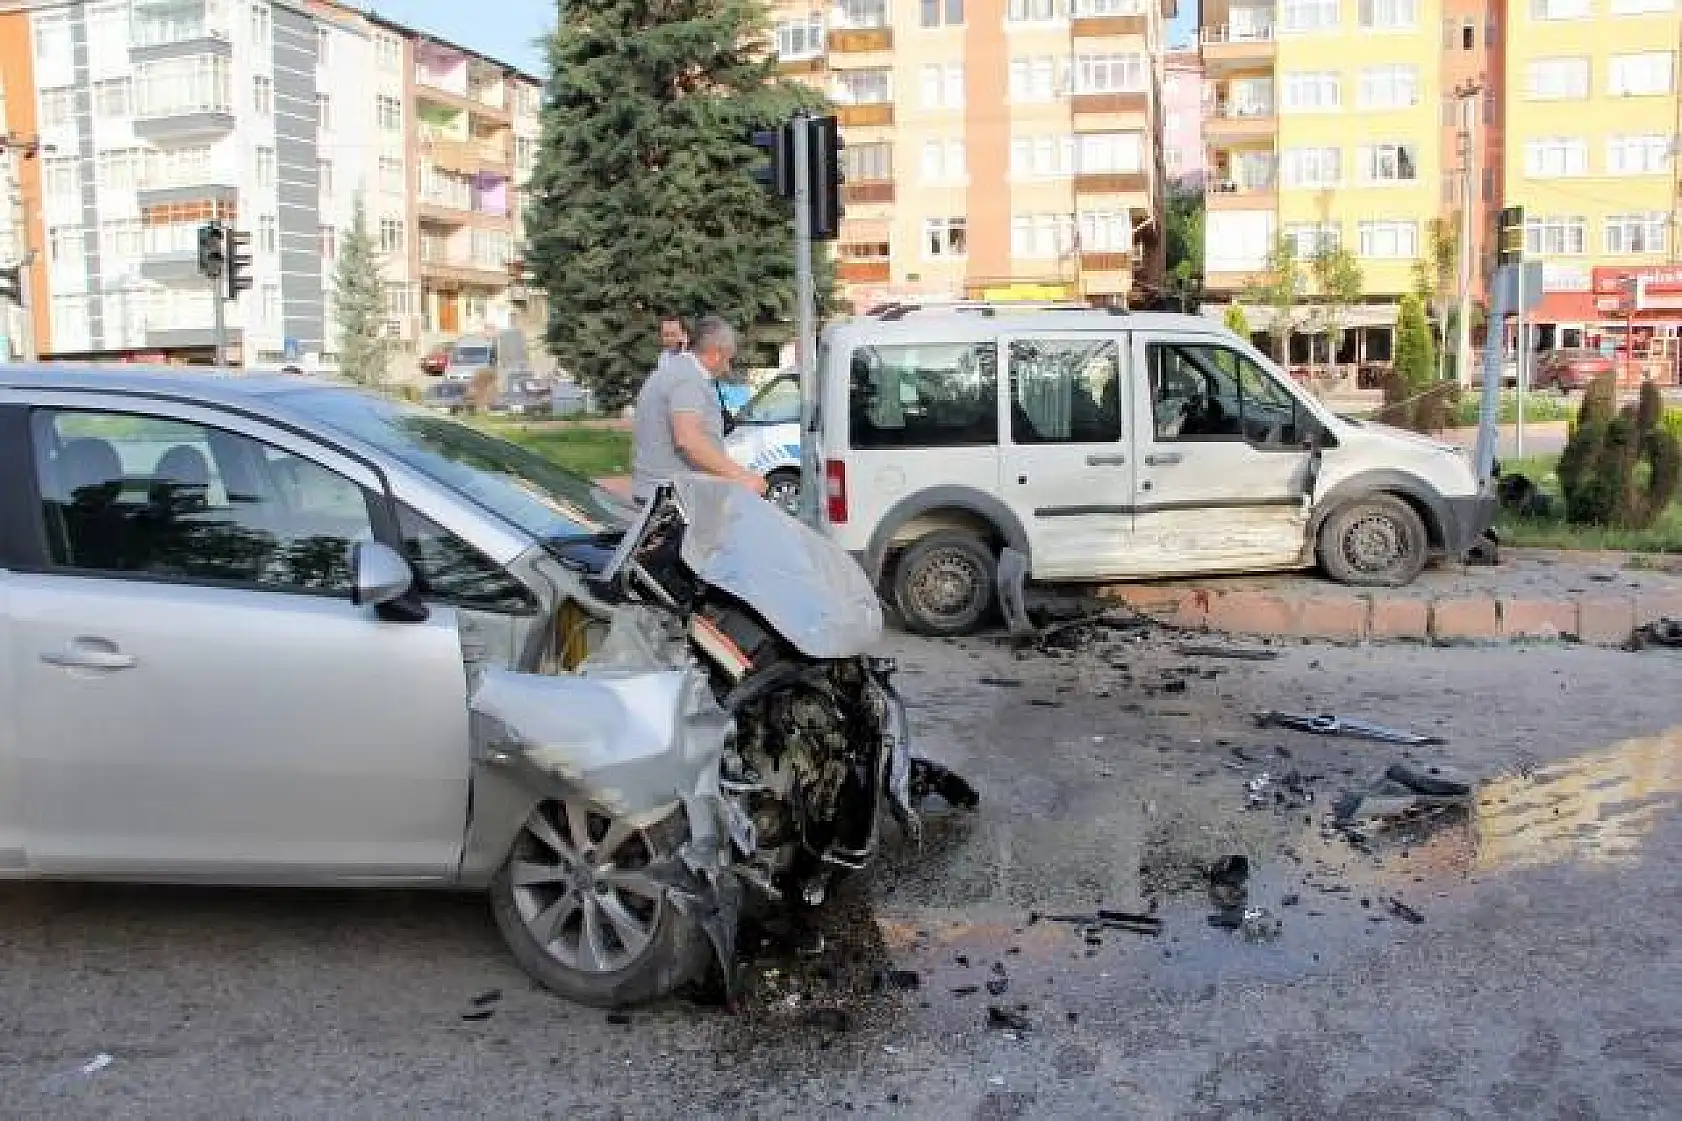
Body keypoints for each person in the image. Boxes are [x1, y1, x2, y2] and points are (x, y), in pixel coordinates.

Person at [631, 315, 767, 502]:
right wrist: (743, 477)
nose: (727, 368)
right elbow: (688, 440)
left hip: (659, 493)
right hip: (675, 500)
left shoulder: (671, 371)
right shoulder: (688, 378)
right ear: (715, 353)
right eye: (728, 359)